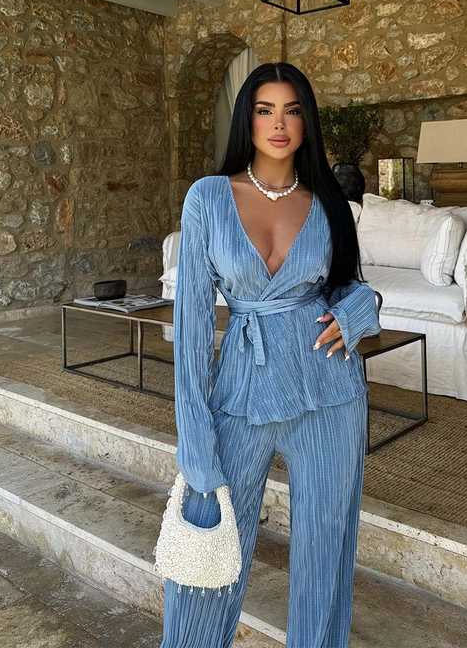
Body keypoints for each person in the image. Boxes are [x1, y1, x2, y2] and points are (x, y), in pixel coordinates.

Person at [159, 62, 381, 648]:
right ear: (248, 120)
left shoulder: (330, 203)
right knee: (205, 557)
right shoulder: (208, 198)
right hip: (239, 393)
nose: (278, 124)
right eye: (265, 110)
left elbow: (350, 286)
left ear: (306, 122)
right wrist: (193, 436)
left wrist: (361, 312)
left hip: (328, 393)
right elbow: (192, 325)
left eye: (291, 111)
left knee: (326, 553)